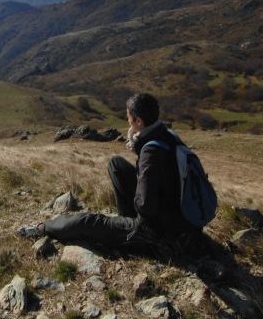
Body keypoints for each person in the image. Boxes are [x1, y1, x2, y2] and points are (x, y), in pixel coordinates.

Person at [18, 93, 193, 249]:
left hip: (155, 230)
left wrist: (140, 192)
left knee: (88, 222)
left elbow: (145, 205)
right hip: (180, 217)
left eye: (129, 117)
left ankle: (43, 228)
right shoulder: (168, 135)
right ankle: (125, 220)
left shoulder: (150, 153)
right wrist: (138, 145)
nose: (127, 121)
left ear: (139, 121)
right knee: (116, 164)